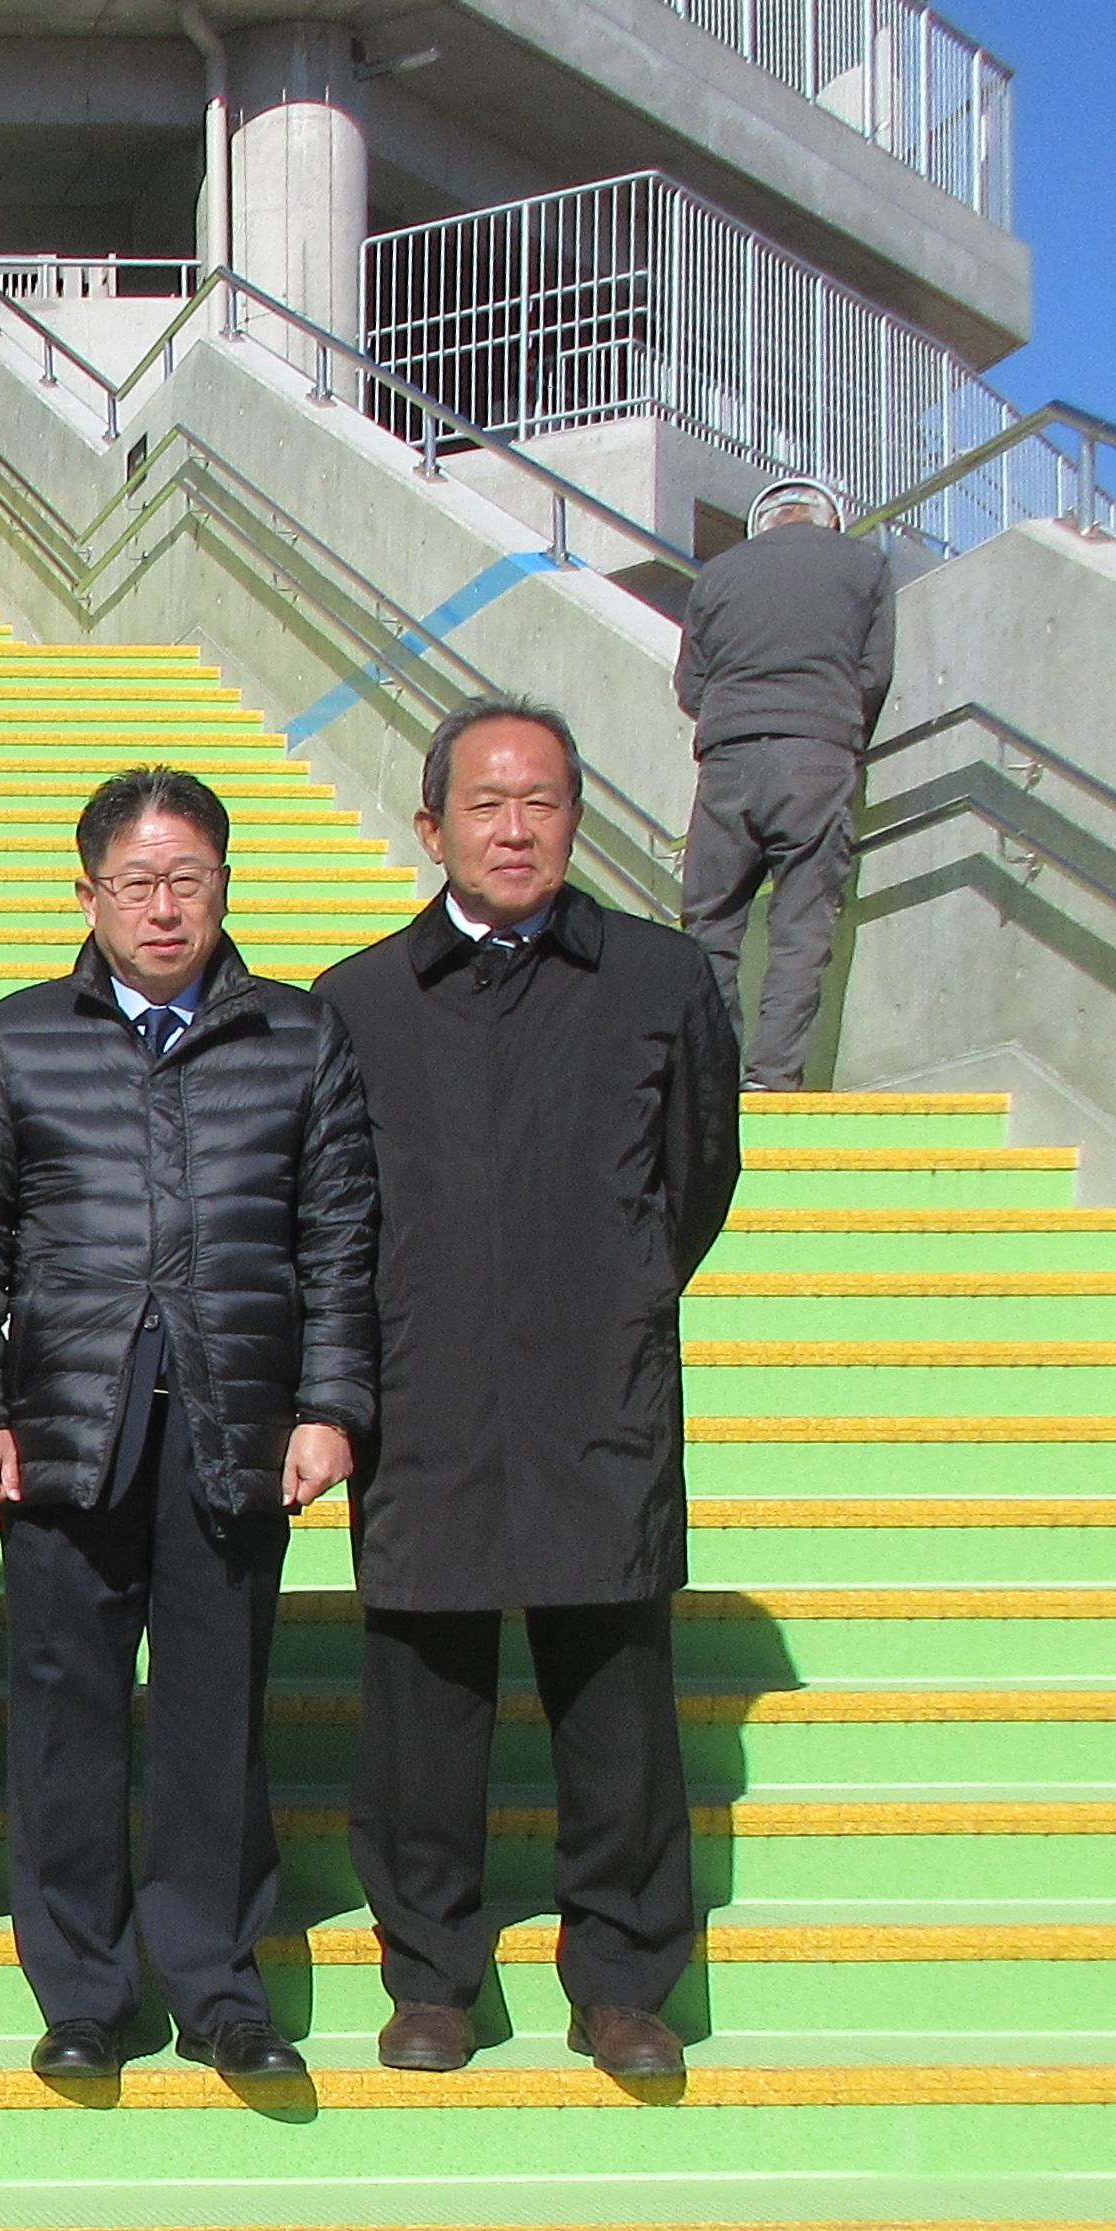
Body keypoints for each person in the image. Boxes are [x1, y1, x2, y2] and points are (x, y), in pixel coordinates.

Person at [314, 699, 741, 2082]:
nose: (515, 827)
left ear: (576, 815)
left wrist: (605, 1292)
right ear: (430, 825)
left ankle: (622, 1982)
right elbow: (334, 1209)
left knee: (615, 1698)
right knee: (422, 1707)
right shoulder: (362, 1000)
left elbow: (697, 1178)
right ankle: (433, 1974)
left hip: (594, 1388)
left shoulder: (660, 982)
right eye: (485, 804)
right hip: (424, 1390)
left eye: (542, 801)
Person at [0, 766, 373, 2079]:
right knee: (64, 1706)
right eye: (137, 883)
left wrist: (333, 1405)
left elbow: (341, 1241)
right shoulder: (17, 1039)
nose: (165, 908)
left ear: (226, 884)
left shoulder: (300, 1037)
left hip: (236, 1414)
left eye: (190, 879)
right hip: (66, 1420)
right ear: (87, 893)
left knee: (214, 1707)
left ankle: (218, 1980)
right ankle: (79, 1988)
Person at [674, 476, 897, 1091]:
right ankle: (773, 1075)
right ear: (829, 519)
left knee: (710, 921)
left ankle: (711, 1074)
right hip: (817, 756)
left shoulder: (716, 574)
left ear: (760, 524)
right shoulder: (866, 565)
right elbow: (873, 673)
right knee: (801, 923)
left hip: (727, 759)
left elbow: (691, 687)